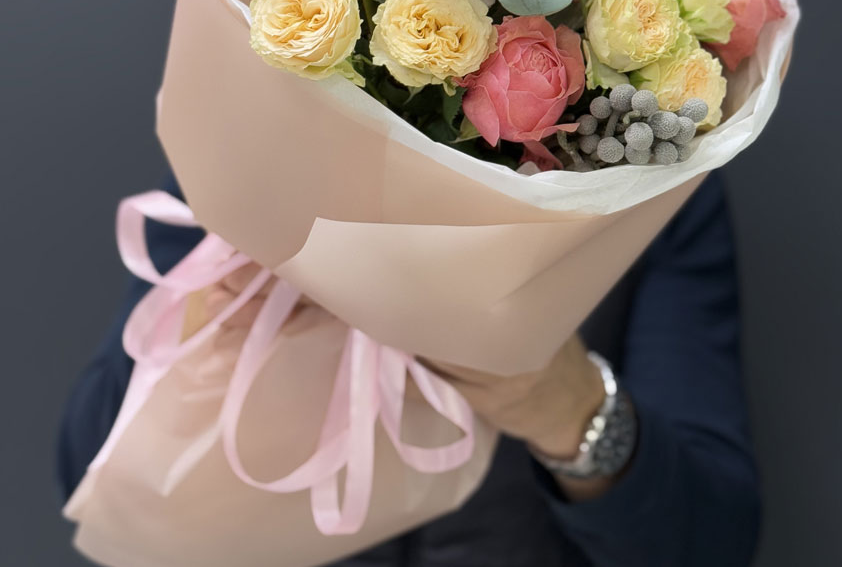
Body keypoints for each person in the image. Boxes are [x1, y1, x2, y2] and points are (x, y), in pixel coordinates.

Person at [58, 170, 759, 566]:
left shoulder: (654, 182)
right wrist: (211, 316)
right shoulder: (247, 149)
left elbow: (712, 544)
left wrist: (576, 414)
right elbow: (84, 466)